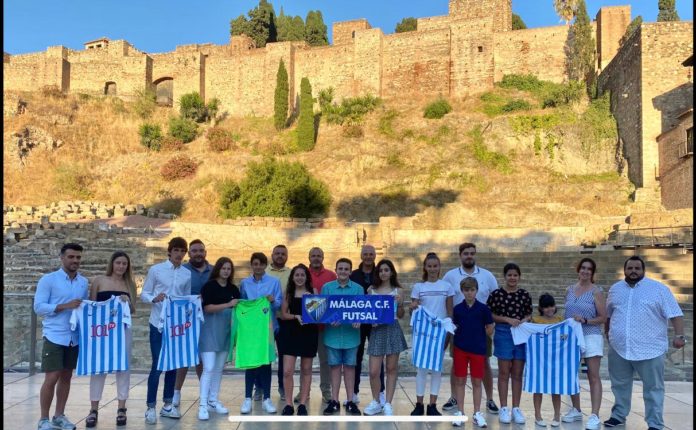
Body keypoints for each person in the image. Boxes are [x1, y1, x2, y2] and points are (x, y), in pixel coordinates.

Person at [604, 256, 685, 430]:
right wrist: (608, 333)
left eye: (637, 268)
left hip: (650, 349)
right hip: (619, 348)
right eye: (630, 268)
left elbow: (675, 314)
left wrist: (679, 335)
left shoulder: (659, 289)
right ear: (625, 270)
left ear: (643, 270)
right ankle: (618, 415)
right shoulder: (615, 289)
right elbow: (609, 314)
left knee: (653, 388)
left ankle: (655, 423)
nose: (633, 271)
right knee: (619, 384)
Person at [34, 243, 89, 430]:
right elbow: (39, 307)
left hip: (74, 337)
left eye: (78, 257)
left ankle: (59, 416)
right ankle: (43, 419)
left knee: (66, 376)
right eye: (71, 257)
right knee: (52, 377)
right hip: (54, 335)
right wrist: (64, 306)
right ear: (62, 257)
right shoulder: (48, 280)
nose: (75, 260)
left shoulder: (83, 282)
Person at [442, 243, 499, 415]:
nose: (469, 256)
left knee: (485, 364)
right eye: (466, 253)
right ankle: (454, 397)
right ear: (460, 255)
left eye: (472, 253)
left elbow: (495, 299)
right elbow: (445, 299)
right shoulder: (450, 275)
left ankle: (489, 399)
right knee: (456, 364)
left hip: (481, 329)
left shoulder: (487, 276)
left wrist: (491, 324)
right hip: (459, 328)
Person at [140, 237, 192, 425]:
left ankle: (167, 404)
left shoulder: (186, 274)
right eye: (176, 250)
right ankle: (150, 407)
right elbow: (144, 293)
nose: (179, 254)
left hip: (176, 326)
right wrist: (155, 298)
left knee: (173, 364)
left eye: (182, 251)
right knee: (157, 365)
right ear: (169, 251)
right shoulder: (156, 270)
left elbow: (186, 298)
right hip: (158, 324)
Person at [86, 251, 137, 428]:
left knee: (123, 368)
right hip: (102, 331)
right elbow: (91, 305)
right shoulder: (99, 281)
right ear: (112, 264)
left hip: (122, 331)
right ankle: (93, 409)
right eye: (118, 263)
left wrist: (127, 302)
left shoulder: (129, 284)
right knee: (98, 369)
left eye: (124, 264)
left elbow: (133, 310)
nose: (121, 266)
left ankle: (122, 408)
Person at [562, 258, 606, 430]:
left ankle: (594, 414)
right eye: (583, 268)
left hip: (590, 335)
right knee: (571, 375)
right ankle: (576, 409)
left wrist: (586, 320)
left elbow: (603, 317)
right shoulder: (570, 290)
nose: (585, 271)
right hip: (572, 337)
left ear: (592, 272)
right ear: (578, 270)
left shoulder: (596, 292)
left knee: (593, 375)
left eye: (589, 269)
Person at [409, 252, 455, 416]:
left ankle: (433, 405)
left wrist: (448, 336)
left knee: (436, 370)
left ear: (439, 267)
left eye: (435, 266)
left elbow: (450, 312)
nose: (433, 269)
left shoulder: (447, 287)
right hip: (422, 334)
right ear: (425, 268)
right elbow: (413, 313)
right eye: (429, 266)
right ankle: (419, 404)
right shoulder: (418, 287)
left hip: (440, 334)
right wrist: (412, 307)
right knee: (421, 370)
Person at [487, 262, 532, 425]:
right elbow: (490, 314)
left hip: (520, 333)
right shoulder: (497, 294)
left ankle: (516, 408)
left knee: (517, 373)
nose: (512, 278)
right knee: (504, 372)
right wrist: (507, 319)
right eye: (509, 275)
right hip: (503, 332)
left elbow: (529, 314)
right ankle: (504, 407)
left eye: (515, 275)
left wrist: (524, 320)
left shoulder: (524, 294)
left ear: (519, 277)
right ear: (504, 276)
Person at [197, 257, 240, 421]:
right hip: (209, 332)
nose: (226, 271)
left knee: (218, 369)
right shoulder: (209, 287)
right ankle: (202, 404)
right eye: (223, 268)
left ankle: (213, 401)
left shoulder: (234, 289)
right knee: (208, 367)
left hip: (225, 332)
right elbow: (207, 308)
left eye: (229, 268)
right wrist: (228, 304)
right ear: (218, 269)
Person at [239, 252, 282, 415]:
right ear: (252, 265)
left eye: (260, 264)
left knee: (266, 363)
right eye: (254, 264)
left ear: (265, 265)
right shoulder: (244, 283)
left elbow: (279, 303)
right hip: (250, 330)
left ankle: (267, 399)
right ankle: (247, 398)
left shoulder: (274, 282)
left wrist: (272, 301)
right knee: (251, 363)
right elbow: (242, 304)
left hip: (268, 329)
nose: (257, 267)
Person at [363, 259, 407, 416]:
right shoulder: (371, 290)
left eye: (386, 270)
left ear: (392, 272)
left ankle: (388, 402)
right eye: (381, 270)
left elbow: (401, 315)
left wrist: (400, 305)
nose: (383, 273)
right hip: (377, 331)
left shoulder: (398, 291)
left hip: (392, 328)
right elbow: (366, 313)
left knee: (391, 368)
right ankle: (376, 401)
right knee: (374, 371)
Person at [173, 239, 212, 408]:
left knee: (201, 359)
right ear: (189, 254)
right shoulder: (182, 270)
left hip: (209, 320)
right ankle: (175, 393)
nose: (198, 253)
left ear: (205, 252)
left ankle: (206, 394)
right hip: (186, 319)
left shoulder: (213, 271)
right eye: (194, 251)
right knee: (183, 357)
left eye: (201, 250)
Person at [321, 258, 363, 416]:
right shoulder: (327, 288)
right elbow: (322, 310)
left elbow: (363, 309)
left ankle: (351, 401)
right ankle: (334, 400)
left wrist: (359, 319)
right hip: (332, 336)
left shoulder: (358, 289)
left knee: (351, 368)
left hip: (352, 337)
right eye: (341, 268)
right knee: (335, 368)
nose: (343, 271)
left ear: (350, 271)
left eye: (346, 269)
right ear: (336, 270)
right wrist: (329, 319)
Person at [451, 278, 494, 428]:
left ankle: (476, 413)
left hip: (478, 350)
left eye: (472, 290)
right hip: (460, 349)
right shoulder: (457, 309)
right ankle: (460, 412)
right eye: (466, 290)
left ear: (477, 290)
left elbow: (490, 327)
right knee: (460, 381)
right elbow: (454, 326)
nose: (469, 293)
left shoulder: (483, 309)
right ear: (462, 291)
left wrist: (482, 333)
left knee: (477, 381)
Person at [278, 264, 319, 416]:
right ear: (292, 277)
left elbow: (318, 314)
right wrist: (296, 316)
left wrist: (311, 318)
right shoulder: (288, 293)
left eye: (303, 275)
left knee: (306, 370)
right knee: (288, 371)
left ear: (307, 277)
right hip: (290, 333)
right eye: (297, 275)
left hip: (308, 333)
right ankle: (288, 404)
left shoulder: (313, 292)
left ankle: (302, 403)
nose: (300, 278)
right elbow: (283, 314)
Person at [349, 244, 385, 406]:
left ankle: (381, 391)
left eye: (371, 254)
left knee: (378, 356)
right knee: (356, 356)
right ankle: (354, 391)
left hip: (376, 322)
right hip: (358, 321)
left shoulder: (381, 274)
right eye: (366, 254)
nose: (369, 256)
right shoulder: (353, 275)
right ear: (361, 255)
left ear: (375, 255)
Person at [308, 247, 337, 404]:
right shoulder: (303, 274)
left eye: (319, 255)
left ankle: (326, 390)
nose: (316, 258)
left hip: (325, 327)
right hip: (307, 326)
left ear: (323, 257)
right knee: (306, 360)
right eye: (313, 256)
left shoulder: (331, 276)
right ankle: (302, 391)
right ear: (309, 257)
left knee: (325, 360)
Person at [530, 294, 564, 427]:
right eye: (546, 307)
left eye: (551, 306)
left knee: (556, 388)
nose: (549, 309)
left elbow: (564, 336)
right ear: (540, 308)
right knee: (538, 387)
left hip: (556, 359)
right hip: (540, 359)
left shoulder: (561, 320)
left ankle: (557, 415)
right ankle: (537, 415)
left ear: (555, 306)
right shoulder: (535, 320)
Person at [267, 244, 290, 401]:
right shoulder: (264, 272)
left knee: (284, 356)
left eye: (283, 253)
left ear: (287, 256)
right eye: (277, 253)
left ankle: (283, 388)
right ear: (272, 255)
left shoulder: (291, 273)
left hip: (284, 321)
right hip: (265, 321)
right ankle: (261, 388)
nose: (280, 256)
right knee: (264, 356)